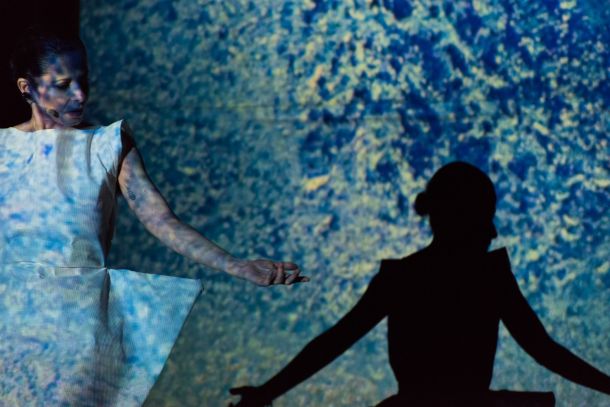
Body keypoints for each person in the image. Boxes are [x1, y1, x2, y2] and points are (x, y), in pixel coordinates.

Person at [0, 28, 308, 406]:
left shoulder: (106, 143)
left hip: (76, 325)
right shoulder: (3, 148)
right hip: (11, 323)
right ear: (27, 88)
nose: (79, 95)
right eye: (63, 85)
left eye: (84, 81)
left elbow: (161, 220)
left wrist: (237, 265)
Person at [230, 161, 610, 406]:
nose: (493, 232)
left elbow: (333, 342)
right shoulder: (488, 276)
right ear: (469, 220)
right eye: (485, 218)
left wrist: (267, 393)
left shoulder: (402, 278)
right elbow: (544, 351)